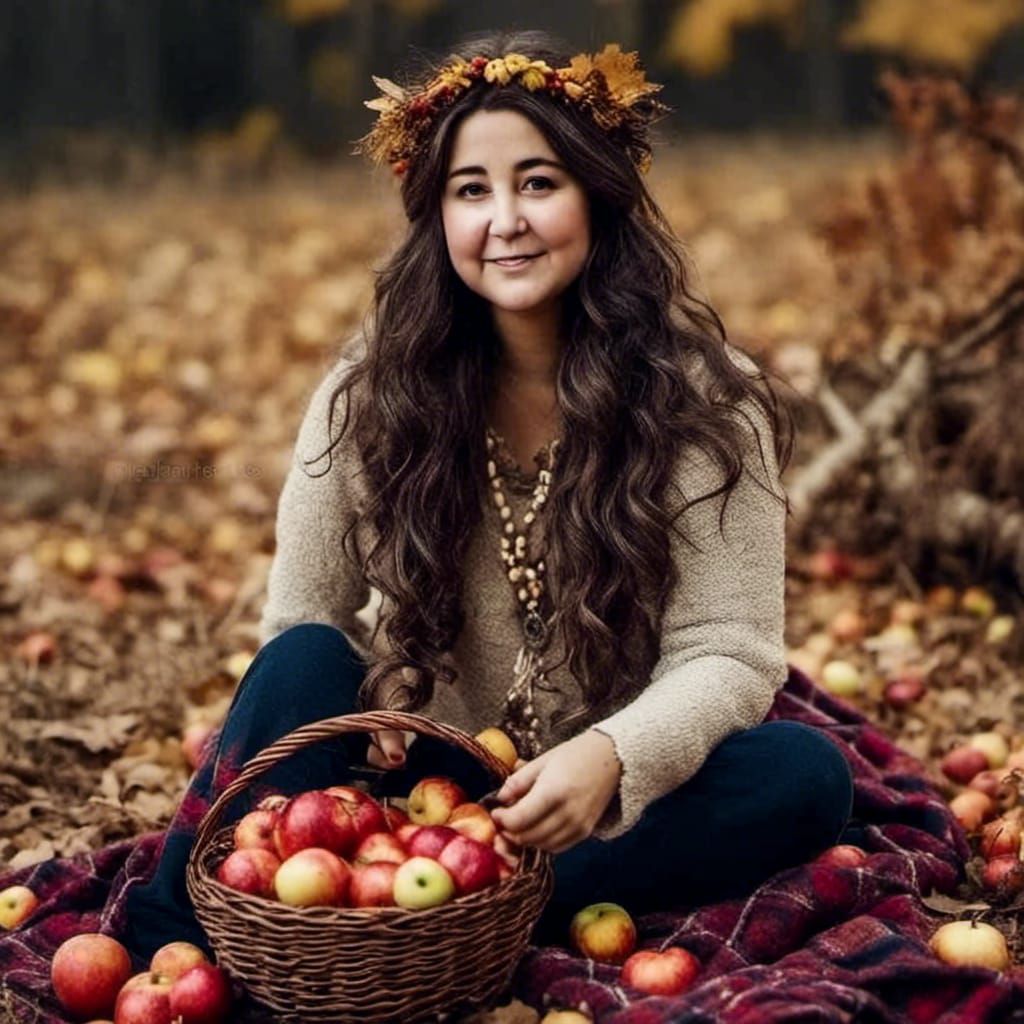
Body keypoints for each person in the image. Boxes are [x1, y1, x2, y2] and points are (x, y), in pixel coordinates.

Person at [124, 28, 854, 959]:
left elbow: (732, 649)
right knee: (304, 659)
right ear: (438, 218)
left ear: (598, 195)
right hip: (419, 783)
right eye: (472, 190)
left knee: (803, 776)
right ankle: (178, 933)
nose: (504, 218)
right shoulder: (373, 396)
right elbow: (301, 622)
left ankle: (475, 919)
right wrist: (385, 695)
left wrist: (614, 756)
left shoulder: (707, 404)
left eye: (538, 183)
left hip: (594, 805)